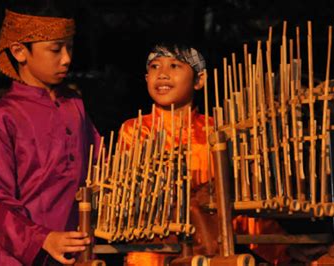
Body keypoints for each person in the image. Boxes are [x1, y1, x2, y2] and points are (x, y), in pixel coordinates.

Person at [118, 44, 290, 265]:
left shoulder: (216, 132)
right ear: (146, 78)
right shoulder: (135, 130)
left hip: (210, 251)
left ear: (199, 80)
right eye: (154, 66)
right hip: (152, 250)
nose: (162, 74)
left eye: (174, 66)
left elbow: (236, 205)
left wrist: (282, 249)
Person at [0, 2, 101, 265]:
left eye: (70, 47)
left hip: (76, 254)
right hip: (18, 258)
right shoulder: (1, 117)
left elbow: (101, 166)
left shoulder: (74, 104)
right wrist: (43, 239)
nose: (66, 58)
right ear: (20, 51)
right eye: (55, 49)